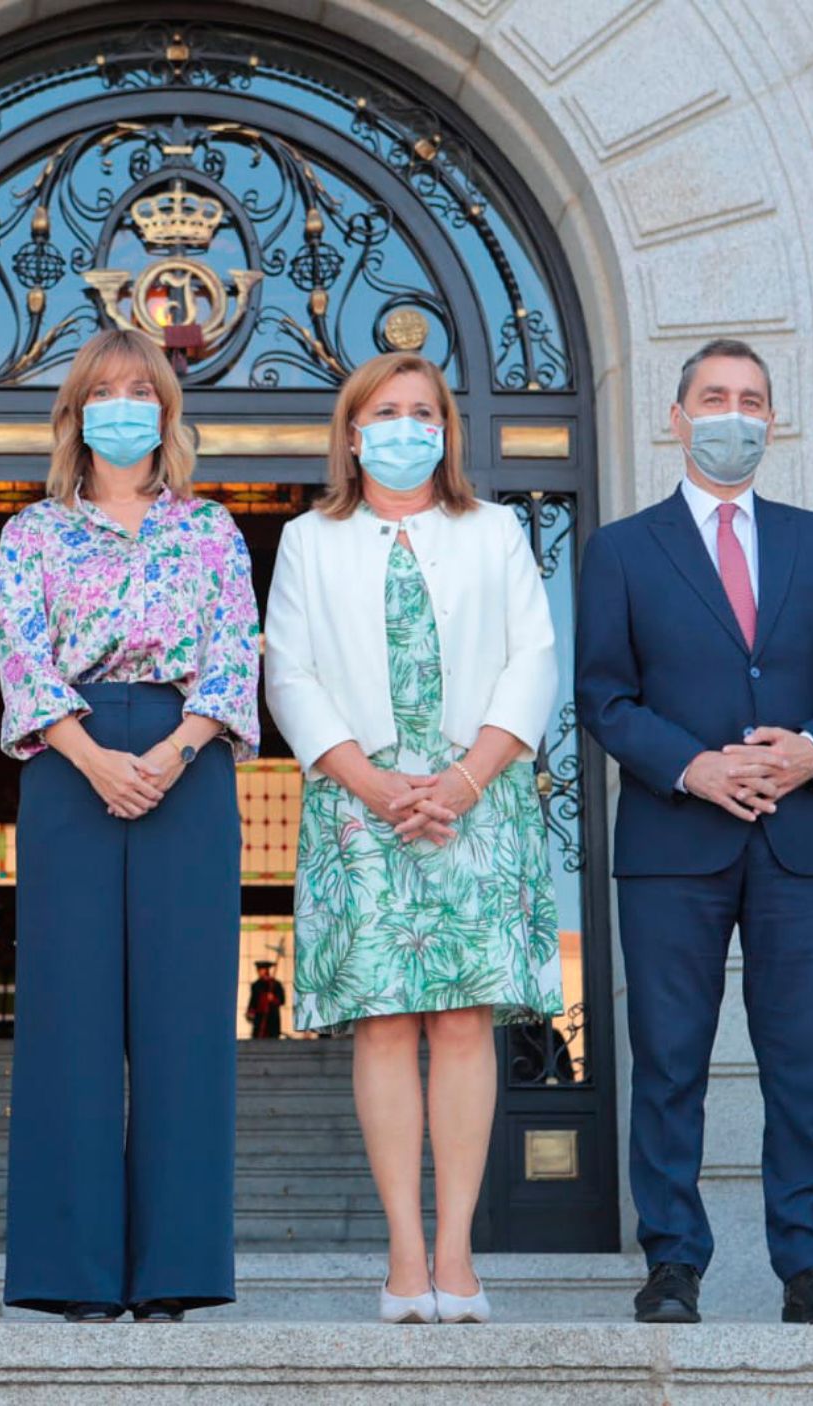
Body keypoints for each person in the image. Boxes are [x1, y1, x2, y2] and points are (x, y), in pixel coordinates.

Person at [574, 337, 813, 1325]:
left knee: (800, 1060)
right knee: (668, 1058)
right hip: (673, 840)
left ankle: (809, 1265)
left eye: (752, 399)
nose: (734, 414)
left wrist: (810, 752)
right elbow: (604, 695)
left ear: (772, 418)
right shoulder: (622, 548)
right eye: (715, 397)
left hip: (802, 841)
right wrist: (694, 764)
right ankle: (672, 1261)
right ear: (677, 417)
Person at [265, 350, 562, 1325]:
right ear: (353, 433)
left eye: (422, 411)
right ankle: (403, 1255)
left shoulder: (496, 531)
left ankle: (458, 1252)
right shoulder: (310, 539)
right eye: (384, 412)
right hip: (361, 797)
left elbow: (533, 656)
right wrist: (378, 784)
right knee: (386, 1020)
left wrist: (467, 778)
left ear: (447, 428)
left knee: (465, 1017)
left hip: (478, 791)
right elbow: (292, 674)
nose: (405, 426)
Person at [0, 327, 260, 1323]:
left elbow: (235, 653)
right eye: (102, 391)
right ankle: (71, 1269)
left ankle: (176, 1267)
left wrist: (175, 750)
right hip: (72, 763)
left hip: (185, 764)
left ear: (165, 411)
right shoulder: (30, 532)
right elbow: (22, 658)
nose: (121, 405)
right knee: (68, 1013)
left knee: (184, 1017)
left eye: (138, 389)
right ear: (74, 414)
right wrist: (96, 755)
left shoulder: (213, 529)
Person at [246, 961, 285, 1040]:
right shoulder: (256, 985)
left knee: (272, 1037)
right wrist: (250, 1011)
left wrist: (273, 998)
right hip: (259, 1017)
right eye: (259, 970)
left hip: (272, 1016)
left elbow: (282, 1000)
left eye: (262, 970)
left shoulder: (276, 984)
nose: (260, 972)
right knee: (258, 1036)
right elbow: (253, 1001)